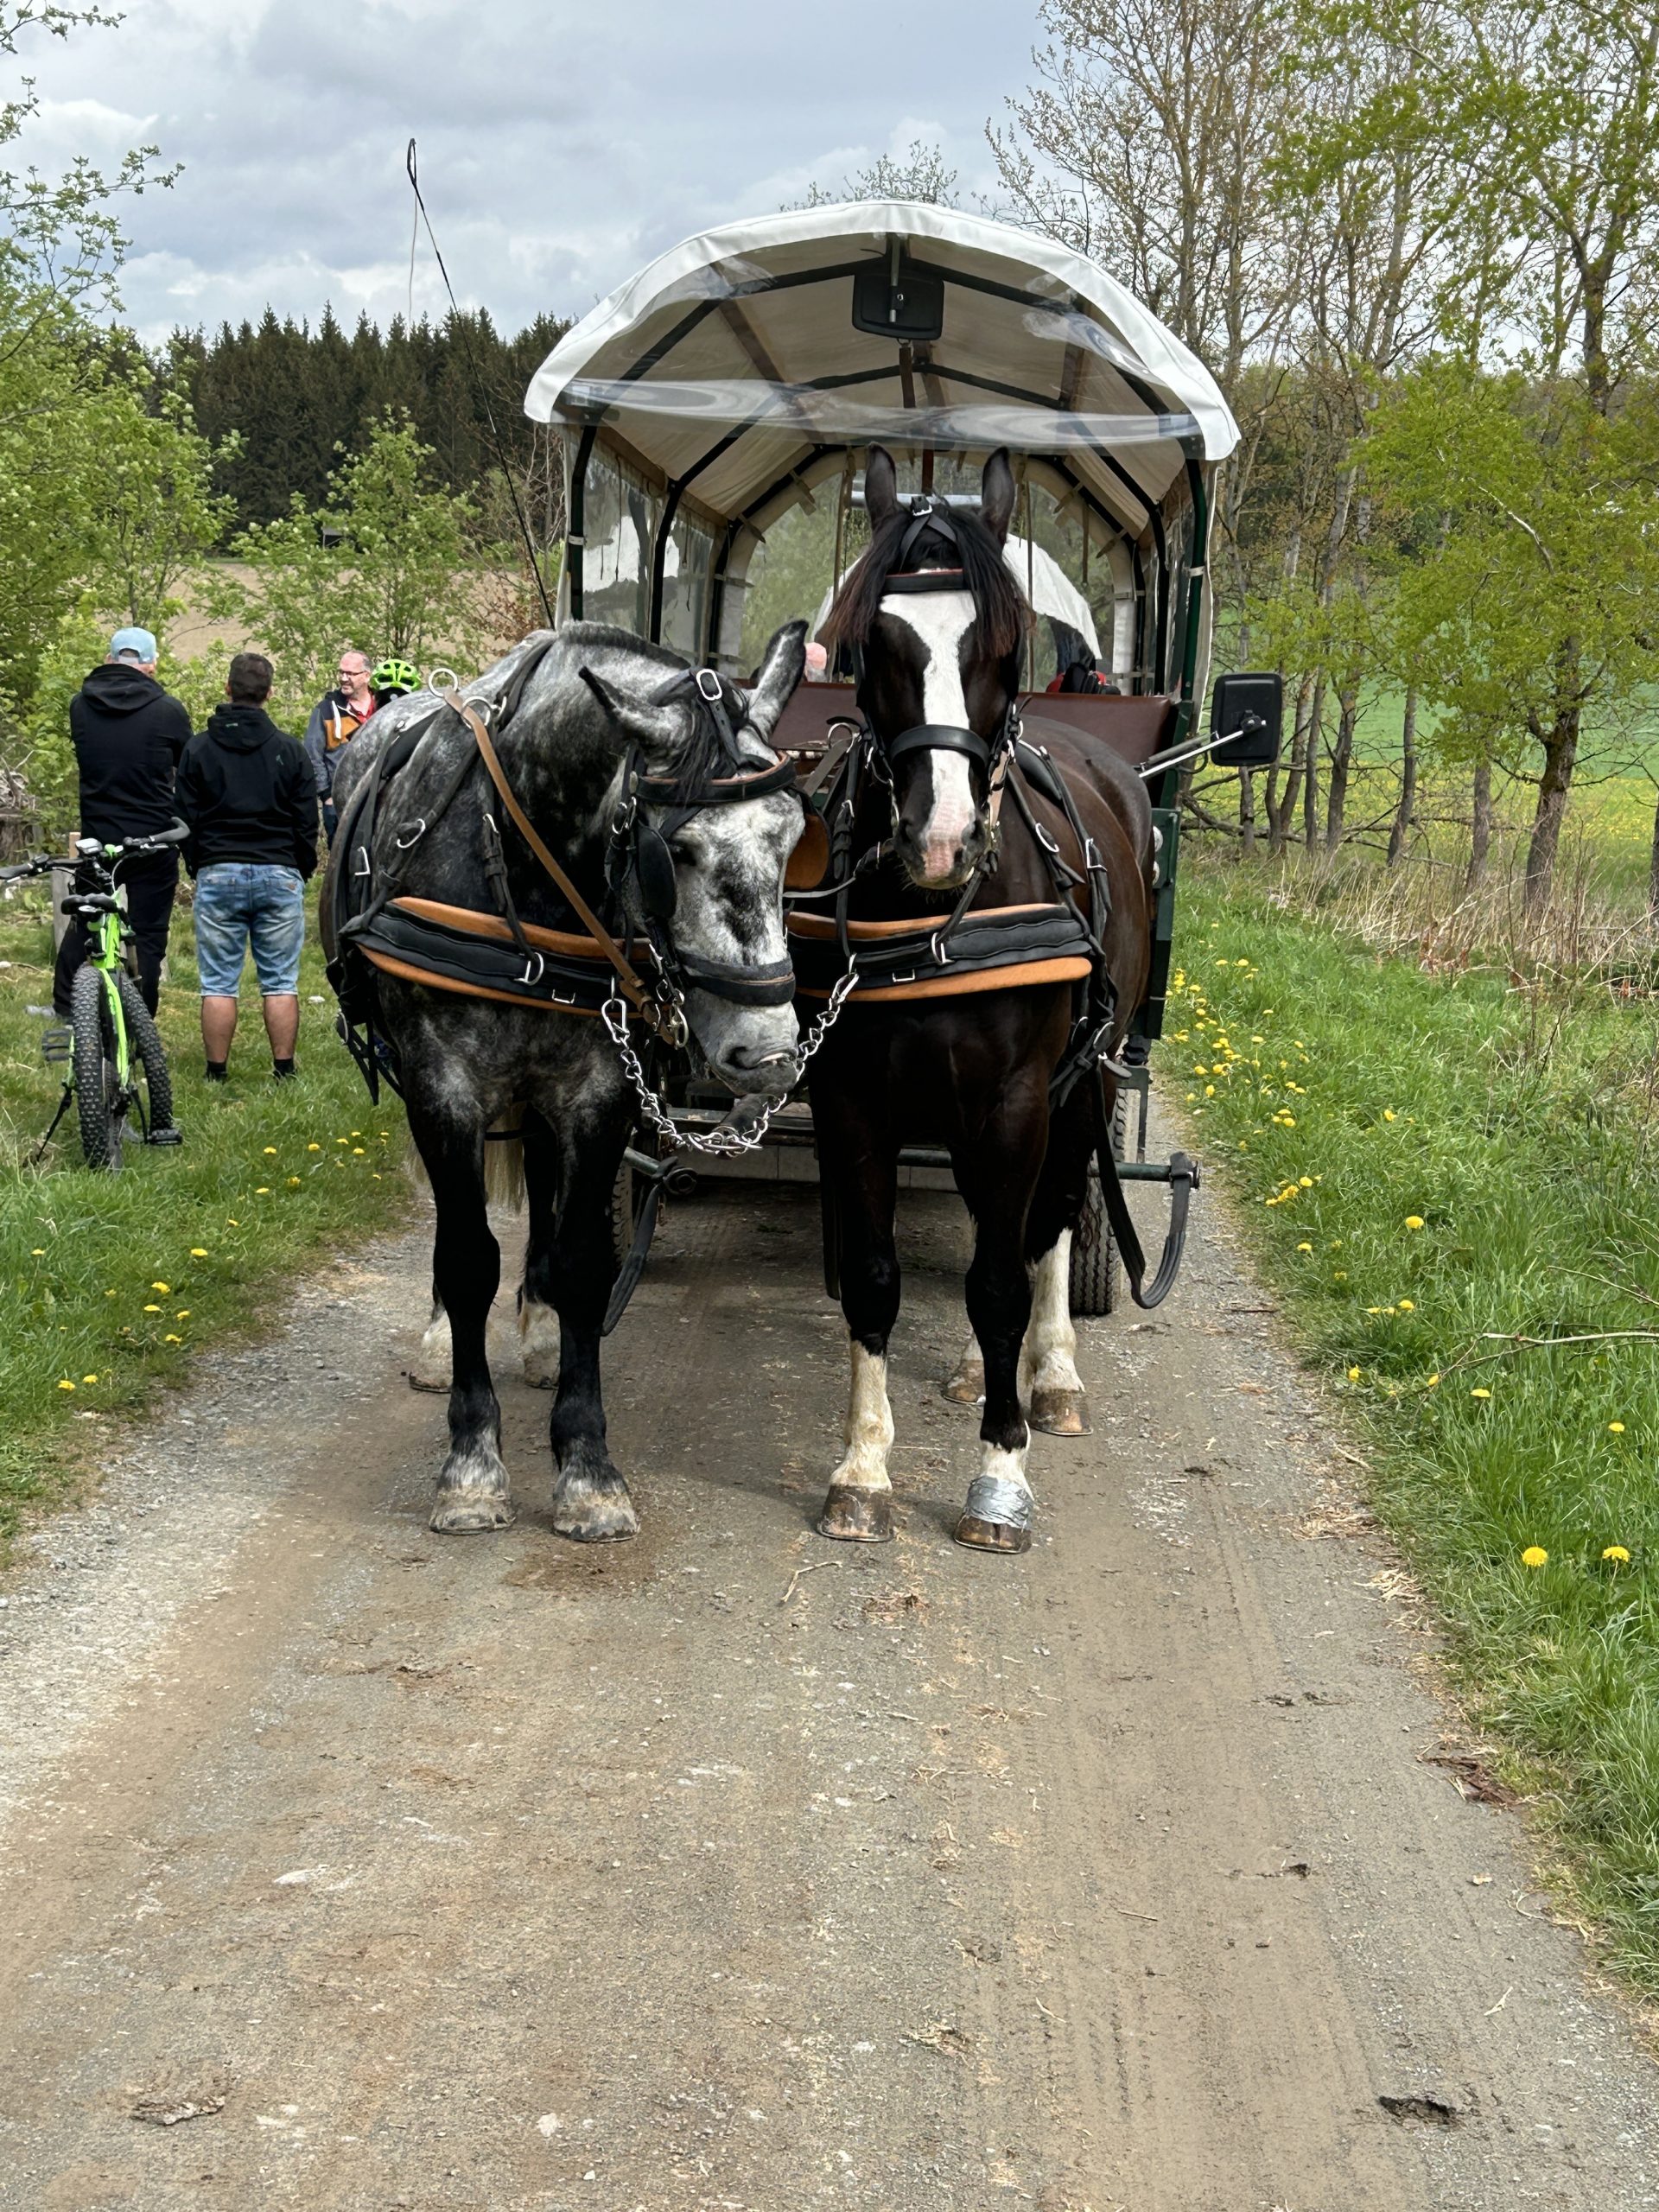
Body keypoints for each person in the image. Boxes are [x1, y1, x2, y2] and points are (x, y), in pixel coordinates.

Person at [175, 652, 317, 1082]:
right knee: (280, 982)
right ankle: (284, 1070)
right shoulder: (290, 751)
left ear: (228, 689)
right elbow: (306, 821)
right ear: (269, 694)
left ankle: (216, 1073)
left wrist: (199, 863)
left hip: (219, 870)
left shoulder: (198, 748)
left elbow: (185, 818)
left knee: (218, 983)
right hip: (278, 871)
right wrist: (299, 868)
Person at [52, 626, 192, 1019]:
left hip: (99, 835)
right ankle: (141, 1019)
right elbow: (188, 765)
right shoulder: (168, 710)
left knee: (87, 919)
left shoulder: (81, 705)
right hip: (154, 837)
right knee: (147, 934)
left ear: (110, 660)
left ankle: (65, 1007)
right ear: (150, 666)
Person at [304, 648, 378, 845]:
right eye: (341, 673)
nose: (344, 678)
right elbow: (312, 756)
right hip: (339, 804)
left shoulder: (384, 708)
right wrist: (327, 796)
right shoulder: (325, 710)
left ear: (366, 676)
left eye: (350, 674)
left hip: (379, 800)